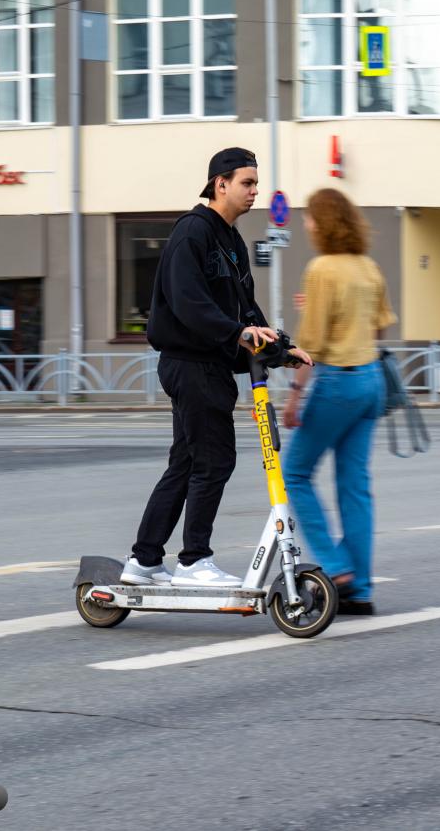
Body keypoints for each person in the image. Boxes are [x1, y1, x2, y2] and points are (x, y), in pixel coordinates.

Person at [121, 147, 311, 588]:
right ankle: (193, 561)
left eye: (256, 185)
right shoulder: (192, 233)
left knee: (186, 463)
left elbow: (247, 309)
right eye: (247, 183)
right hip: (191, 364)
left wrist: (283, 348)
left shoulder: (231, 240)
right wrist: (236, 335)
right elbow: (189, 303)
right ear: (219, 183)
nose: (254, 192)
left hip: (208, 365)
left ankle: (143, 561)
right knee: (214, 459)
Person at [281, 188, 396, 616]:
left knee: (295, 472)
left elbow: (309, 344)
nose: (307, 225)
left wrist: (294, 396)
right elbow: (381, 327)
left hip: (337, 381)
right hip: (370, 381)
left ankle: (335, 567)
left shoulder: (321, 269)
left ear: (324, 222)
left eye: (310, 218)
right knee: (355, 488)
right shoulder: (369, 267)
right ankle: (361, 590)